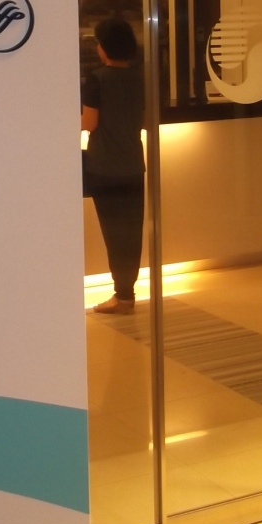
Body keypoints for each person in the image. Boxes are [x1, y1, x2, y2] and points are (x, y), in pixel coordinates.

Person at [82, 18, 145, 315]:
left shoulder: (97, 79)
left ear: (104, 47)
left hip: (104, 166)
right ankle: (126, 293)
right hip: (133, 164)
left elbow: (89, 123)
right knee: (131, 233)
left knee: (113, 234)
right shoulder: (140, 78)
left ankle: (122, 296)